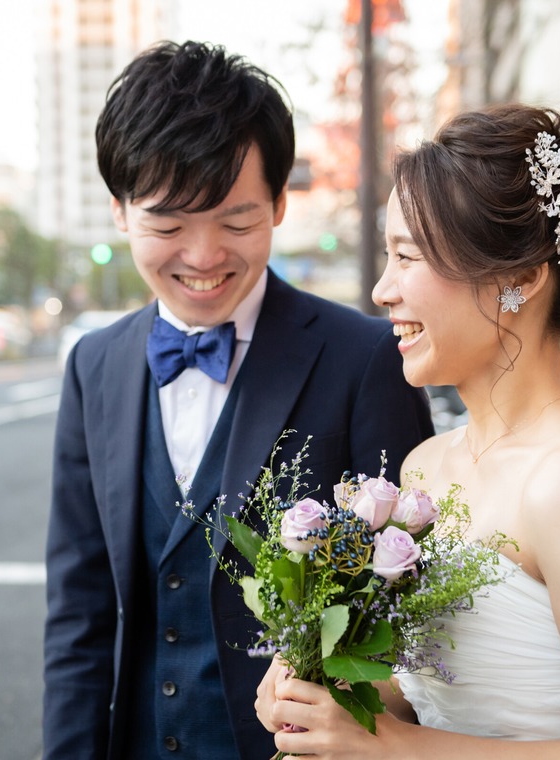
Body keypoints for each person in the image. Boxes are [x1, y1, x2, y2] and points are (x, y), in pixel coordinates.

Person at [254, 104, 560, 759]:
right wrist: (320, 686)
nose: (382, 290)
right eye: (387, 256)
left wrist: (397, 749)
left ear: (518, 279)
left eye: (407, 256)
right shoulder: (425, 467)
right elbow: (432, 691)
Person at [41, 40, 434, 760]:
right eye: (167, 224)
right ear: (119, 213)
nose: (202, 255)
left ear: (281, 203)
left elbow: (412, 610)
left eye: (236, 221)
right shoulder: (91, 366)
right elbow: (78, 613)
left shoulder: (364, 359)